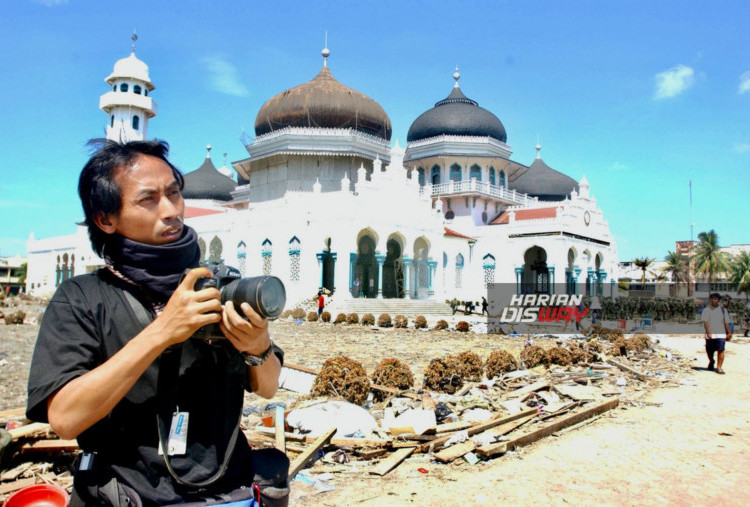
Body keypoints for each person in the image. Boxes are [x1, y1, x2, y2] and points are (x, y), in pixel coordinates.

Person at [26, 140, 289, 506]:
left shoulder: (217, 286)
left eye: (175, 194)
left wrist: (257, 345)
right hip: (126, 494)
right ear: (105, 219)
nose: (171, 211)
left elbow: (269, 387)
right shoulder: (83, 297)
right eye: (148, 199)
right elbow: (66, 419)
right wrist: (162, 332)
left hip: (228, 492)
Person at [701, 292, 732, 374]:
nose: (713, 300)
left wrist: (729, 332)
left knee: (721, 350)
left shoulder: (723, 310)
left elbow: (726, 322)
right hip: (711, 333)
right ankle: (711, 361)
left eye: (715, 299)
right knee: (709, 351)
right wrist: (708, 332)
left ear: (718, 300)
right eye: (711, 299)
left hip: (721, 333)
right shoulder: (706, 310)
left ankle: (719, 367)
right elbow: (706, 322)